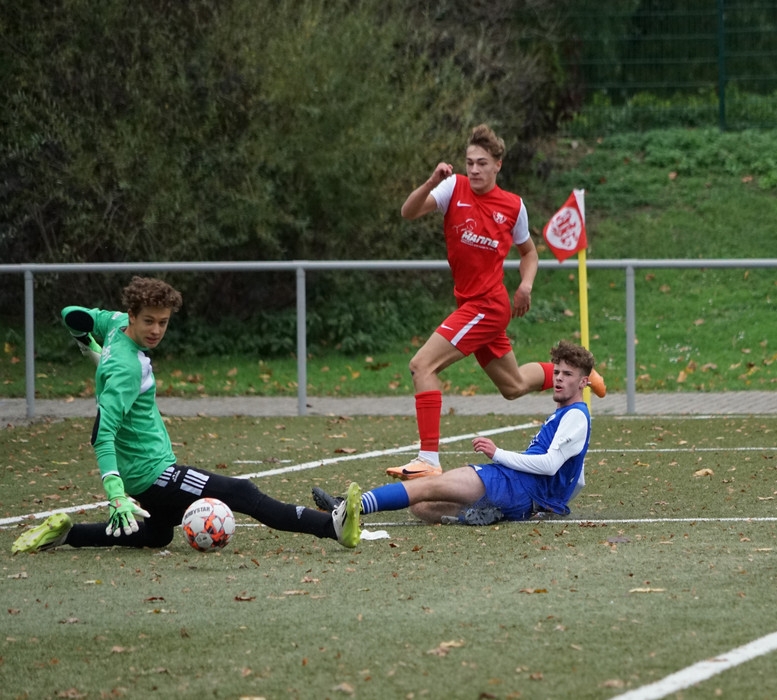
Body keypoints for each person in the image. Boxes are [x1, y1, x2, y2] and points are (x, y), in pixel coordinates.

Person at [11, 277, 362, 555]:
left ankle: (66, 534)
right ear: (132, 315)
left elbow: (72, 313)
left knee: (156, 535)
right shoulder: (126, 369)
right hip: (152, 473)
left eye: (163, 322)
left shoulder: (115, 325)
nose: (155, 330)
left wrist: (86, 340)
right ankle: (332, 526)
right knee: (242, 492)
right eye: (148, 321)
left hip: (144, 471)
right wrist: (115, 493)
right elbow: (102, 434)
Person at [389, 124, 604, 481]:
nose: (474, 169)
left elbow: (529, 253)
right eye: (470, 162)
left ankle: (428, 458)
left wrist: (526, 286)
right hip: (473, 305)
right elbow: (408, 212)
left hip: (487, 306)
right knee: (514, 386)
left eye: (482, 163)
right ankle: (583, 375)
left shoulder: (513, 206)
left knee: (421, 365)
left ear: (498, 165)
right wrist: (430, 182)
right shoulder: (452, 187)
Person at [313, 340, 594, 527]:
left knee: (428, 484)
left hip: (513, 485)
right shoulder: (569, 415)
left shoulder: (575, 416)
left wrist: (498, 454)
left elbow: (550, 465)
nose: (558, 378)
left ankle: (350, 506)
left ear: (583, 382)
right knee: (422, 508)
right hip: (521, 497)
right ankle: (480, 515)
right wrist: (550, 503)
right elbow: (577, 478)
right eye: (556, 372)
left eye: (567, 374)